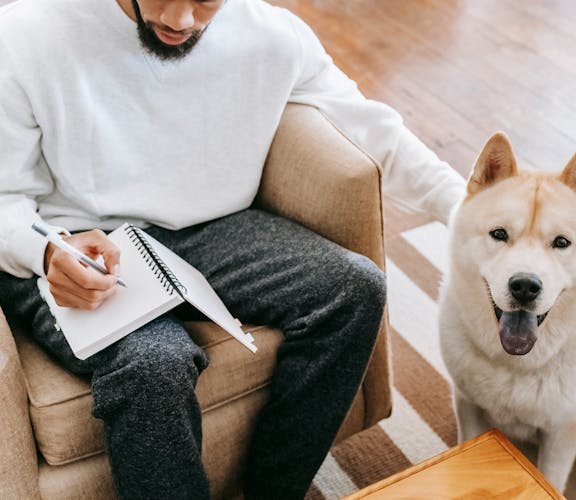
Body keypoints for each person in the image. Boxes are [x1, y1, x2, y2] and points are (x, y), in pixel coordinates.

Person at [0, 0, 465, 498]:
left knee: (356, 287)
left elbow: (375, 131)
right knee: (155, 364)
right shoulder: (27, 33)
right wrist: (46, 250)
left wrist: (471, 210)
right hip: (74, 242)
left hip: (211, 230)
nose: (180, 19)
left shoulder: (275, 36)